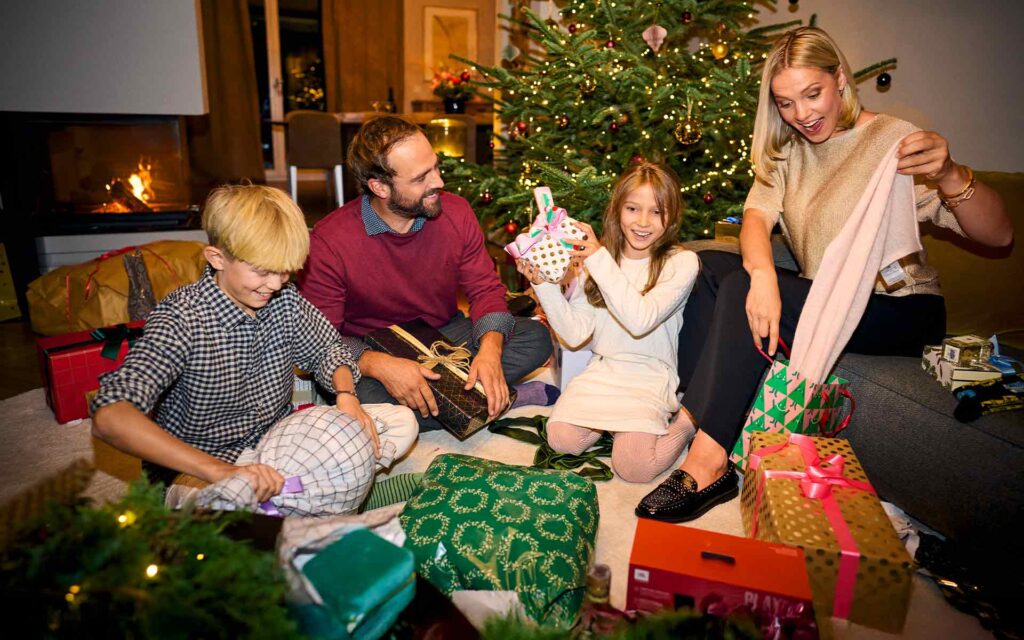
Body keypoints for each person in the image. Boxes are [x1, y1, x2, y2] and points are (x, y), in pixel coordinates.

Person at [636, 27, 1012, 522]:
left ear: (839, 79)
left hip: (899, 309)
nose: (803, 114)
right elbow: (755, 220)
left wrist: (951, 175)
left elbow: (999, 236)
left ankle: (710, 462)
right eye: (786, 103)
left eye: (813, 94)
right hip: (823, 296)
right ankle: (695, 412)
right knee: (705, 266)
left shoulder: (892, 141)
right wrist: (765, 277)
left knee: (743, 282)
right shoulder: (788, 150)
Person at [91, 185, 418, 503]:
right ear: (217, 258)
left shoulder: (284, 298)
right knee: (225, 503)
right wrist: (221, 471)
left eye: (285, 272)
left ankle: (294, 499)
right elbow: (111, 416)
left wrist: (346, 396)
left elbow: (328, 349)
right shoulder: (181, 318)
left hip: (276, 442)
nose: (275, 284)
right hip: (202, 466)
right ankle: (318, 498)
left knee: (400, 423)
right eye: (263, 272)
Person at [299, 115, 552, 431]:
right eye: (421, 178)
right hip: (372, 347)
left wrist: (489, 350)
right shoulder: (329, 241)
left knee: (536, 338)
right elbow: (320, 341)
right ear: (380, 187)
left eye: (435, 167)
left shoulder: (456, 212)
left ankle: (460, 398)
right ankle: (490, 398)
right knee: (358, 395)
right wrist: (381, 366)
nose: (439, 182)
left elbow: (486, 289)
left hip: (444, 337)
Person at [517, 161, 700, 482]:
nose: (643, 222)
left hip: (649, 375)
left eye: (657, 212)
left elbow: (640, 320)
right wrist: (543, 283)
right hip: (605, 369)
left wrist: (598, 257)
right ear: (617, 210)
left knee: (634, 468)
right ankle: (622, 427)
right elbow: (574, 334)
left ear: (672, 217)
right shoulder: (598, 264)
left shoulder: (681, 263)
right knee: (560, 439)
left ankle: (685, 421)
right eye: (633, 208)